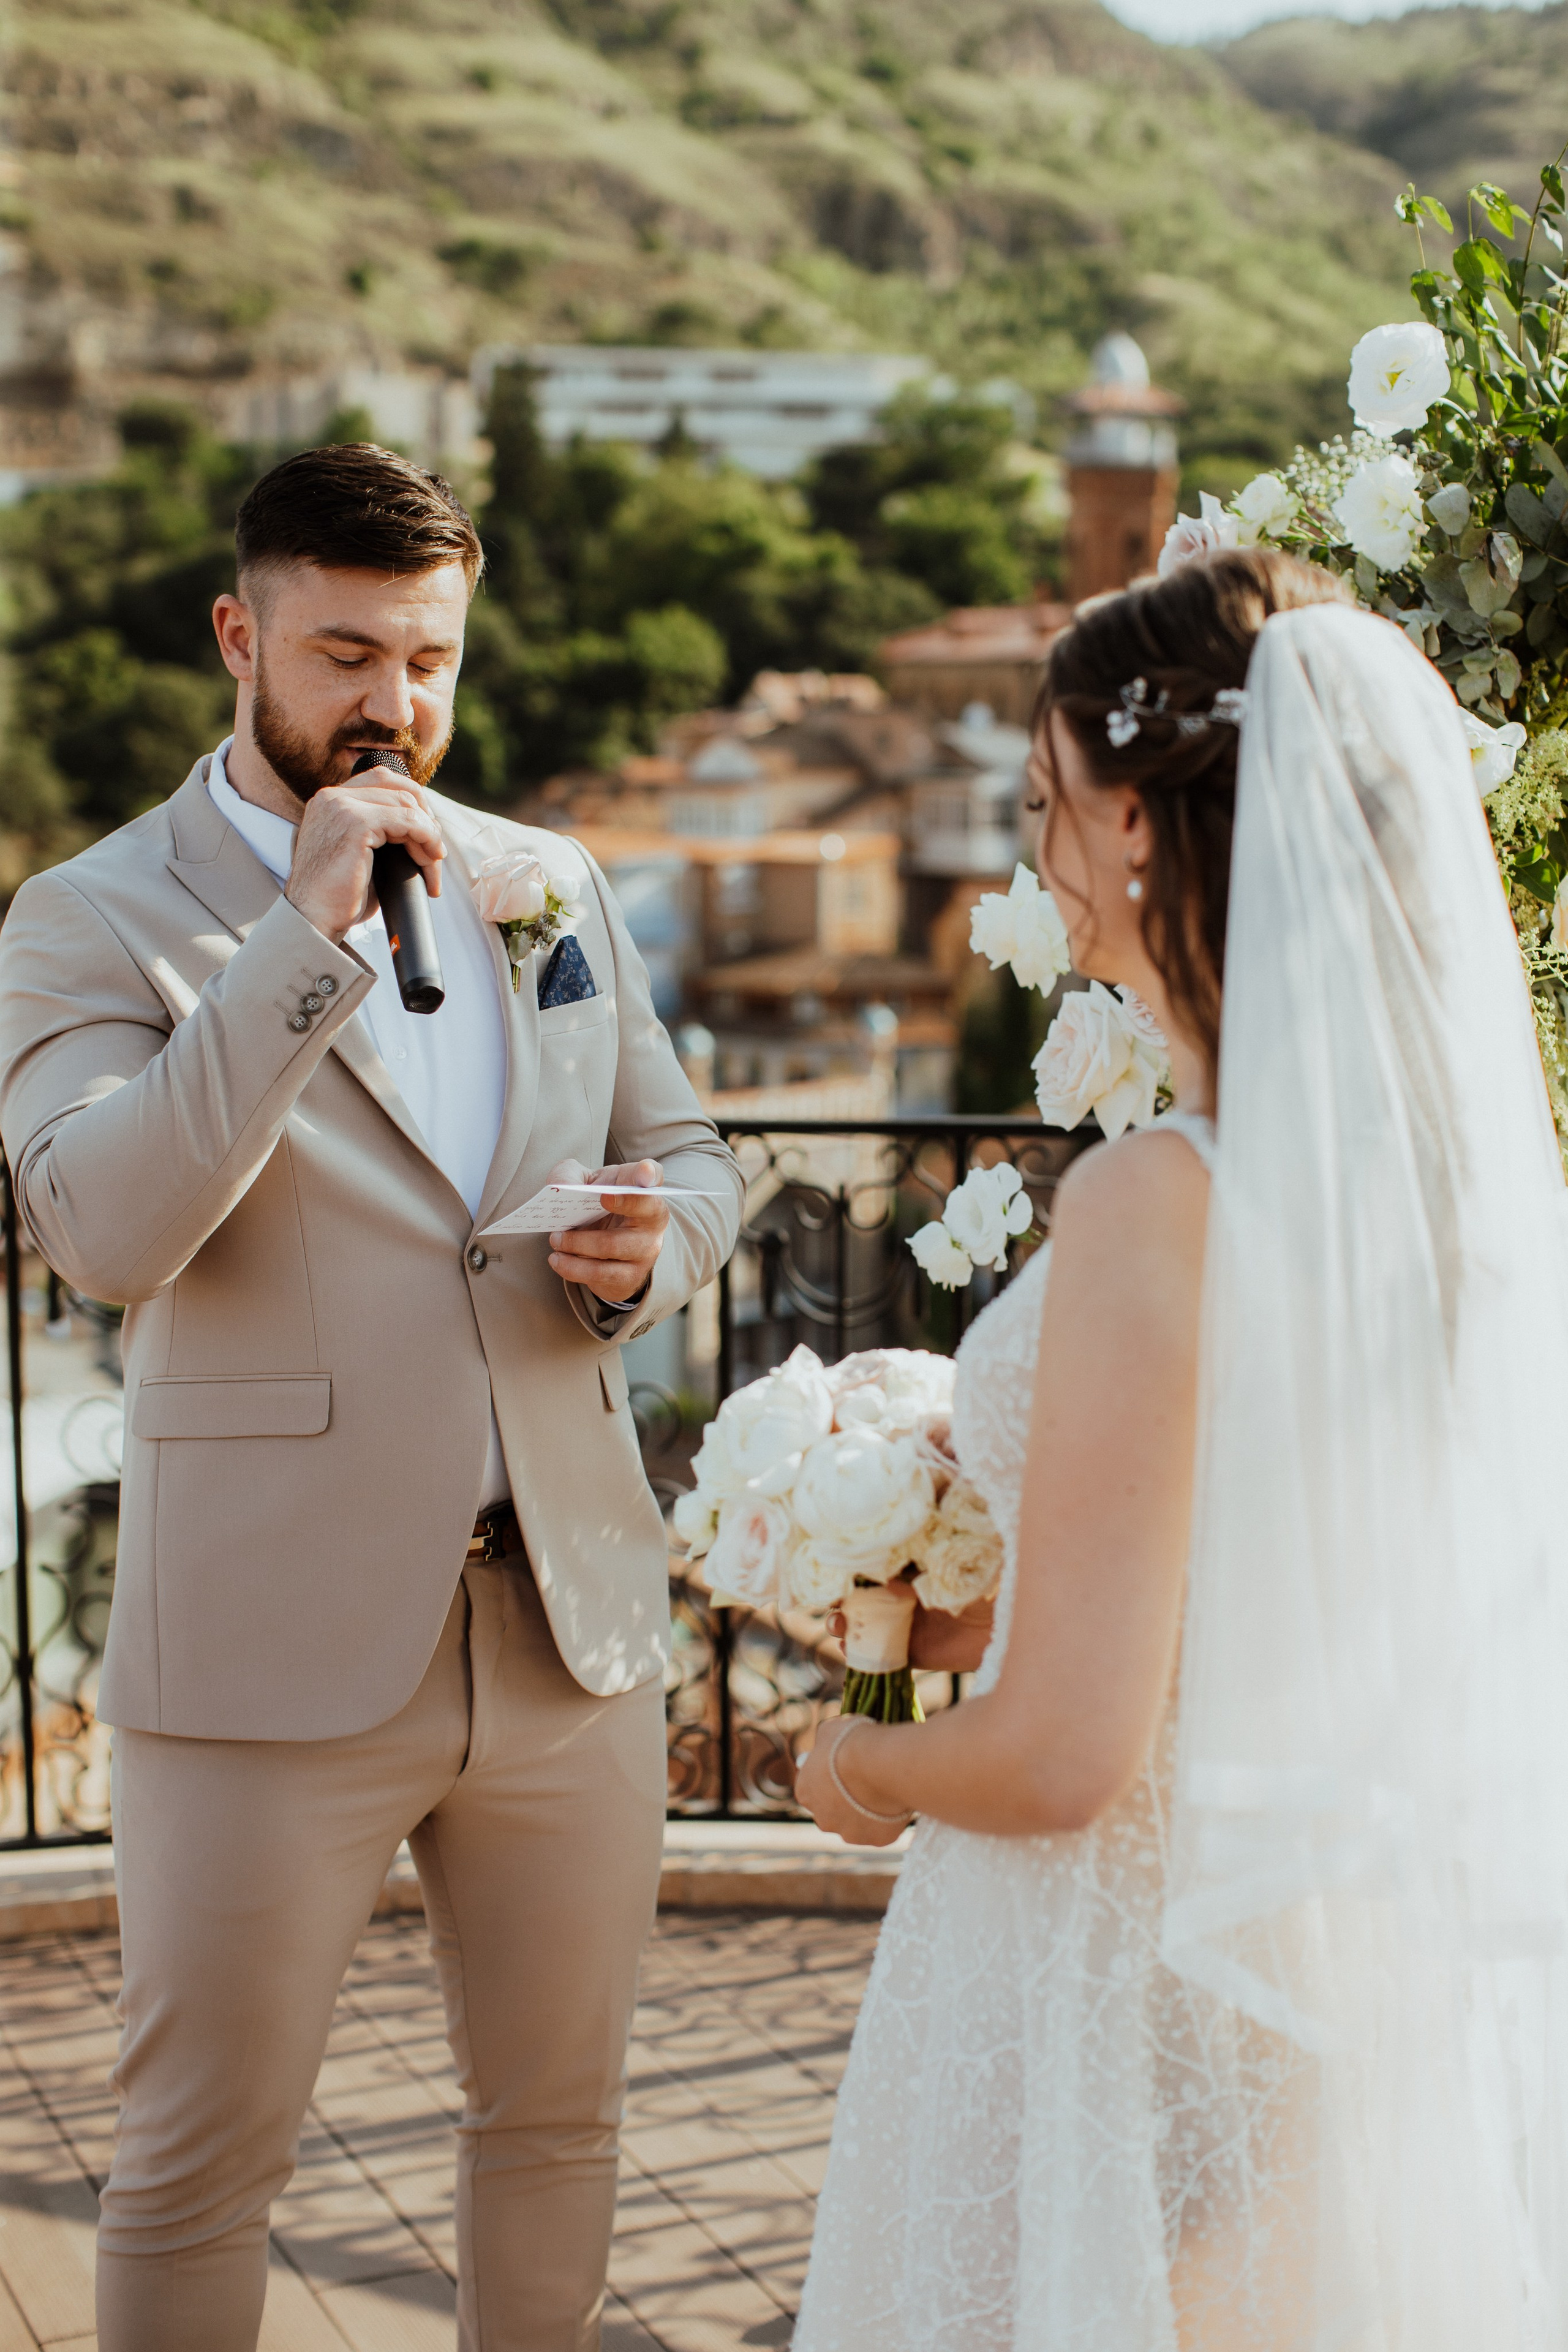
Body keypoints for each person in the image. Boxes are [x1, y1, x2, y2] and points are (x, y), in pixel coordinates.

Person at [0, 441, 744, 2352]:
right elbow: (102, 1225)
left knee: (560, 2127)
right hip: (268, 1642)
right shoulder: (87, 919)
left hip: (568, 1629)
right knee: (192, 2165)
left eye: (426, 659)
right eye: (343, 656)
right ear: (240, 638)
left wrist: (650, 1256)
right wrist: (294, 945)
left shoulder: (548, 880)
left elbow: (698, 1157)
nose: (392, 707)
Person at [792, 548, 1568, 2348]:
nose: (1037, 858)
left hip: (1114, 1973)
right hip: (1318, 1966)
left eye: (1054, 803)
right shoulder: (1424, 1196)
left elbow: (1069, 1756)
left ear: (1145, 824)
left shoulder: (1164, 1195)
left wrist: (860, 1760)